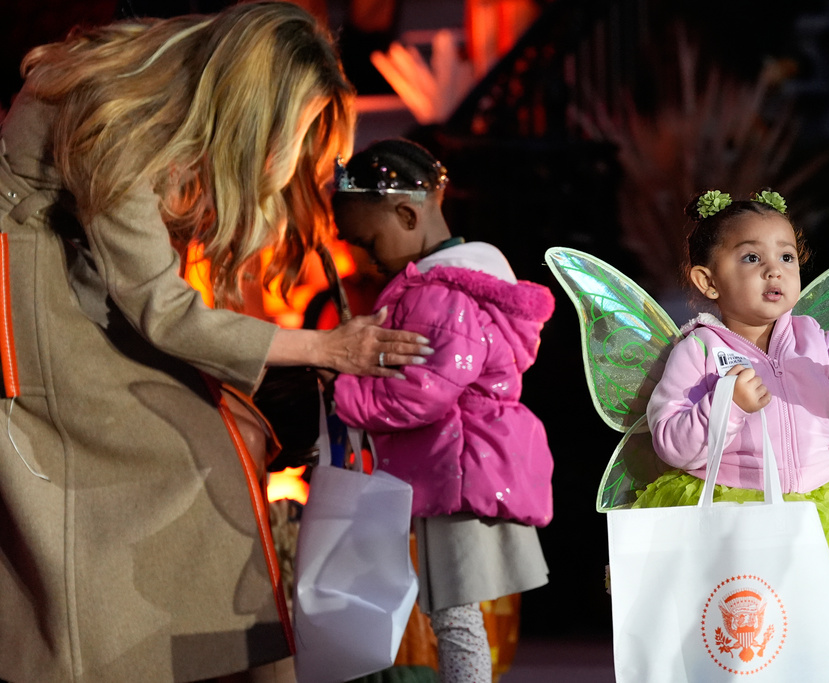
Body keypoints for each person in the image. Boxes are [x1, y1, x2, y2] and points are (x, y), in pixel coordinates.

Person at [0, 4, 431, 682]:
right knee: (192, 443)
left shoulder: (170, 80)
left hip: (74, 284)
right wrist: (325, 349)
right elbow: (164, 310)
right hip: (32, 300)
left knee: (222, 436)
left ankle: (240, 659)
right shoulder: (117, 121)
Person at [635, 189, 829, 615]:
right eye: (751, 258)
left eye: (786, 257)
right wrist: (728, 405)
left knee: (816, 628)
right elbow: (671, 442)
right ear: (708, 281)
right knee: (753, 628)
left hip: (819, 509)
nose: (773, 272)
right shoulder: (699, 350)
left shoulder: (812, 338)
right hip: (738, 516)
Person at [329, 138, 554, 683]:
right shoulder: (445, 287)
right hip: (456, 467)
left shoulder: (440, 295)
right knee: (451, 612)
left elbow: (424, 390)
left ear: (407, 214)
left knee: (454, 616)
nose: (365, 258)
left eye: (367, 240)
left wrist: (342, 393)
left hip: (459, 469)